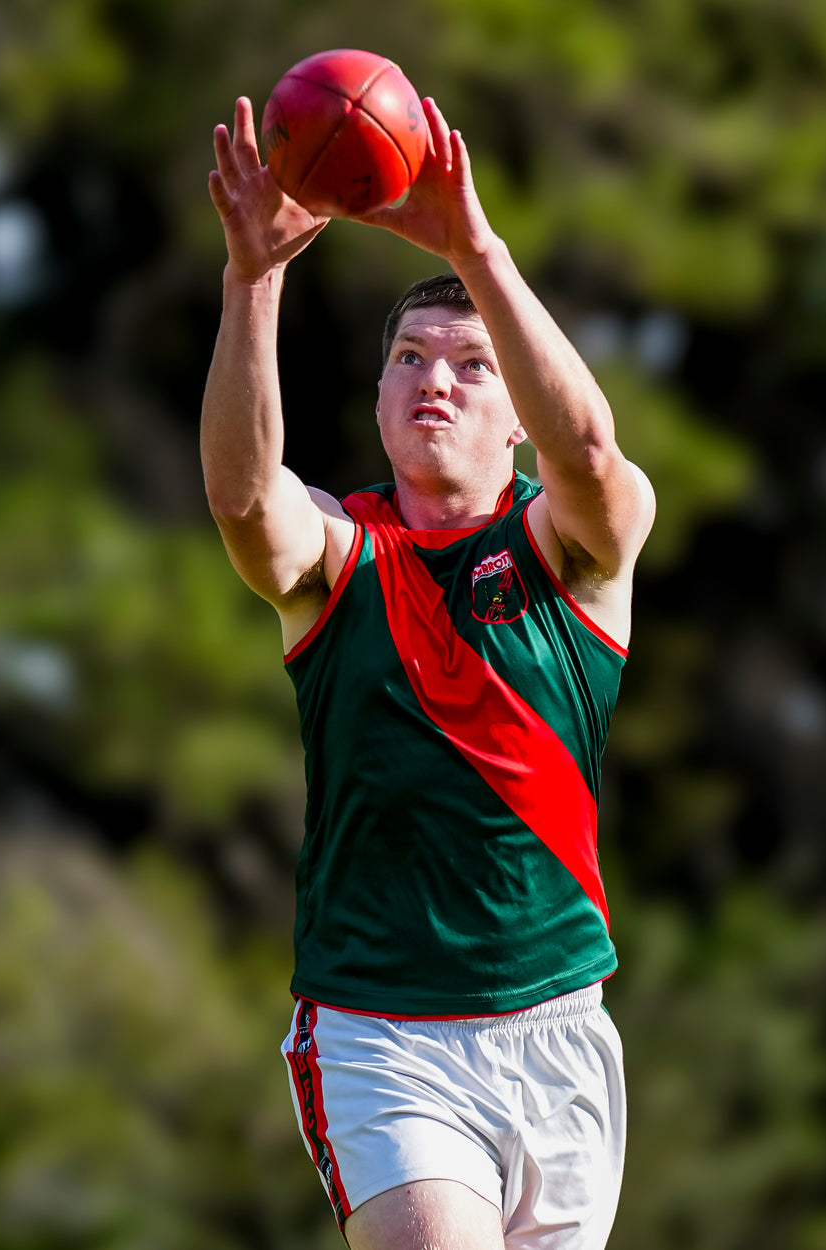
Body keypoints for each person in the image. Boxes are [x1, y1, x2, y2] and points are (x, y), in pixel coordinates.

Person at [201, 92, 655, 1250]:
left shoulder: (575, 553)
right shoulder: (340, 557)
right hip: (381, 1031)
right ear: (377, 399)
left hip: (559, 1032)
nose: (433, 380)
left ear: (517, 421)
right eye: (408, 358)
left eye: (467, 364)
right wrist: (253, 277)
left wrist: (474, 249)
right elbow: (249, 505)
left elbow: (593, 452)